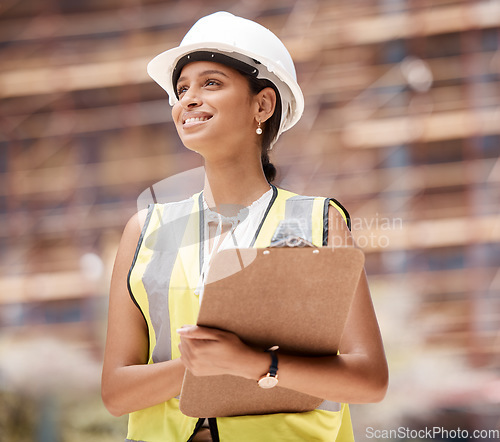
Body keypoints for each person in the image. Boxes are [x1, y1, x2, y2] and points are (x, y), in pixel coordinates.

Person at [101, 11, 388, 442]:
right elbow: (116, 393)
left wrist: (253, 364)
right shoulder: (145, 231)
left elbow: (369, 379)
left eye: (211, 83)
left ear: (262, 104)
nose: (188, 100)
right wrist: (204, 364)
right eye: (182, 90)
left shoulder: (318, 222)